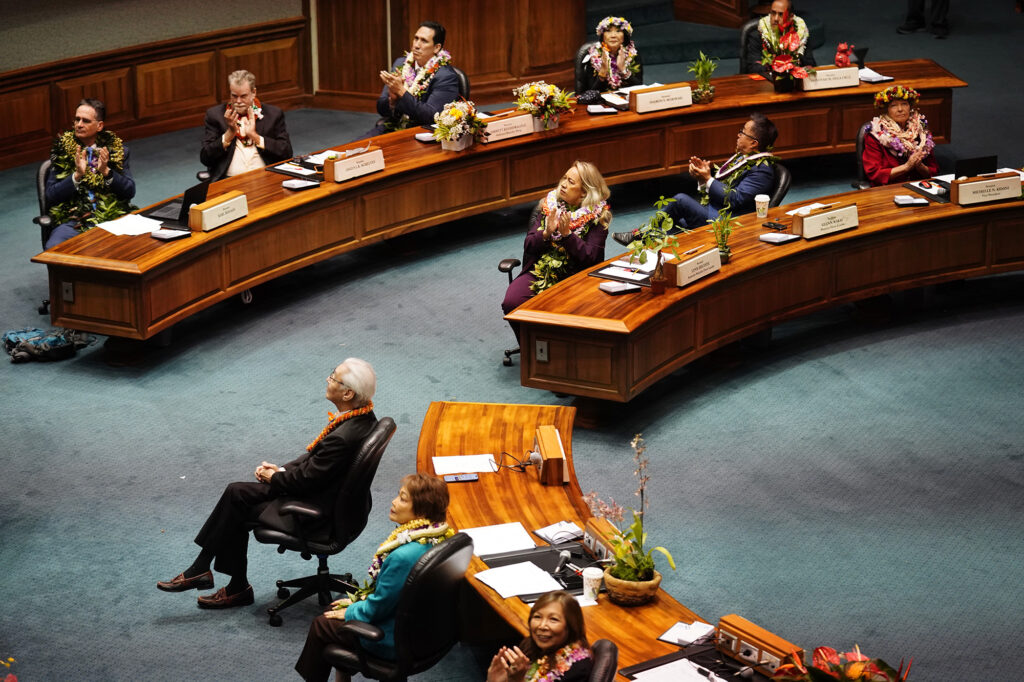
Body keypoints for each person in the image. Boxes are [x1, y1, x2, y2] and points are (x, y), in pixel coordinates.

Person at [156, 358, 378, 609]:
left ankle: (222, 579)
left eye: (333, 378)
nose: (327, 380)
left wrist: (274, 478)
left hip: (319, 514)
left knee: (238, 504)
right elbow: (315, 460)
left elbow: (307, 479)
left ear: (348, 392)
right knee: (236, 494)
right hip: (339, 502)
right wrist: (281, 470)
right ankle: (211, 573)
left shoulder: (343, 437)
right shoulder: (363, 418)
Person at [294, 473, 454, 682]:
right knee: (337, 612)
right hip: (427, 630)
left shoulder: (403, 557)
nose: (394, 501)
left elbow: (378, 607)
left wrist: (352, 610)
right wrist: (356, 601)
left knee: (322, 623)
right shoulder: (441, 537)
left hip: (394, 639)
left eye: (403, 499)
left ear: (422, 511)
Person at [613, 113, 777, 245]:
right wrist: (703, 177)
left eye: (742, 132)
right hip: (715, 210)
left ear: (754, 143)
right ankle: (647, 249)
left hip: (728, 222)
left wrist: (708, 178)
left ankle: (639, 236)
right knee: (674, 223)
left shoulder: (762, 170)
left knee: (681, 201)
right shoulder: (742, 159)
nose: (738, 134)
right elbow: (723, 190)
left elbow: (735, 199)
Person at [501, 161, 612, 341]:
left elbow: (592, 259)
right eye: (564, 179)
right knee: (512, 302)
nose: (564, 184)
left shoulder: (598, 217)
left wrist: (568, 236)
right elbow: (529, 245)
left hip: (574, 277)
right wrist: (546, 233)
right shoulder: (549, 206)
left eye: (571, 182)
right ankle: (530, 349)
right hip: (540, 271)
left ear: (584, 192)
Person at [43, 98, 136, 249]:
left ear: (99, 126)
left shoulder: (118, 152)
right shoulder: (61, 153)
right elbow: (51, 196)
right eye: (76, 119)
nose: (79, 125)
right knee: (54, 247)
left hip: (111, 218)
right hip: (74, 221)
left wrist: (107, 172)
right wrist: (76, 176)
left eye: (85, 121)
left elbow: (129, 191)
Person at [366, 21, 460, 137]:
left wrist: (401, 91)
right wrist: (392, 100)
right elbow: (381, 110)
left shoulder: (446, 77)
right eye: (416, 38)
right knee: (350, 152)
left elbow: (431, 116)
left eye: (424, 41)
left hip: (421, 133)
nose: (416, 45)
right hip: (392, 126)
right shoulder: (400, 64)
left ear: (436, 48)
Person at [200, 69, 293, 181]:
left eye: (243, 96)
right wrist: (229, 133)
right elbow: (205, 158)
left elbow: (286, 153)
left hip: (265, 177)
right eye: (234, 96)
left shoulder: (273, 115)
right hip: (229, 180)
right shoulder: (216, 116)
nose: (238, 101)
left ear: (253, 93)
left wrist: (255, 136)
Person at [486, 590, 593, 682]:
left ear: (571, 626)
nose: (542, 626)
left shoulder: (577, 669)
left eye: (553, 619)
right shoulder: (529, 646)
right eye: (537, 617)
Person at [862, 84, 938, 186]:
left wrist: (920, 167)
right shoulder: (875, 136)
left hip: (919, 185)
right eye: (893, 105)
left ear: (910, 107)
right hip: (888, 188)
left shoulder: (921, 131)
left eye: (904, 104)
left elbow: (934, 170)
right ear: (886, 110)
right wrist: (906, 167)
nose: (900, 109)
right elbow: (874, 174)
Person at [743, 0, 817, 78]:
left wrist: (794, 60)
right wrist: (777, 67)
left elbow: (810, 64)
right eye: (773, 13)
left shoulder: (800, 33)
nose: (776, 18)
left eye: (781, 14)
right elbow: (753, 68)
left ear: (790, 17)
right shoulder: (758, 34)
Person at [579, 16, 643, 93]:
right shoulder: (592, 57)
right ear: (603, 36)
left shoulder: (633, 55)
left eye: (618, 31)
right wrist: (602, 73)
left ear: (624, 37)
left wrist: (624, 70)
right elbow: (589, 94)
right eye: (608, 31)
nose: (613, 35)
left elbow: (640, 89)